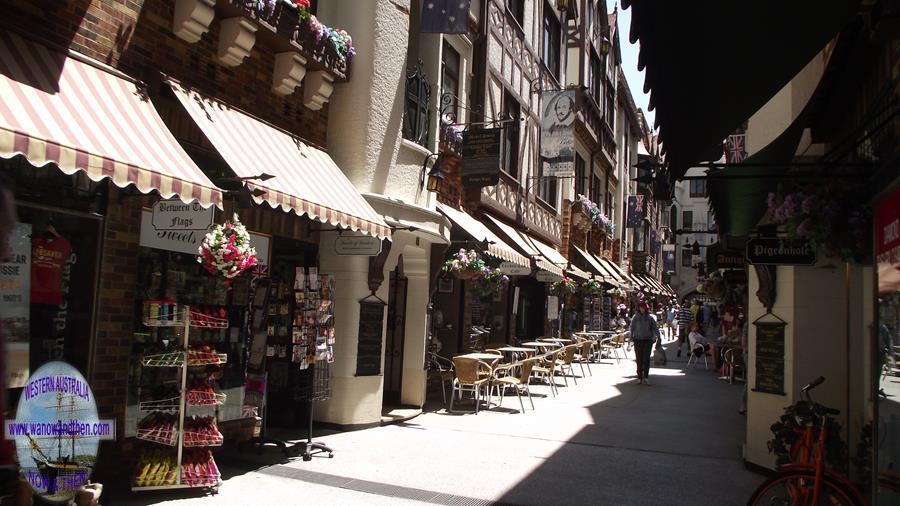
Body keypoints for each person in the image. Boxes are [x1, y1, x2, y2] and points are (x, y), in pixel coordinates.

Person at [629, 302, 659, 385]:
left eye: (643, 307)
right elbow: (632, 328)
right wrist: (630, 339)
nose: (642, 309)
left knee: (646, 359)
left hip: (647, 340)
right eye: (640, 307)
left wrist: (658, 338)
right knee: (639, 359)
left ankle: (646, 376)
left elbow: (655, 328)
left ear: (646, 308)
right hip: (637, 340)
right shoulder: (635, 317)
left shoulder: (650, 318)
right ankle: (639, 377)